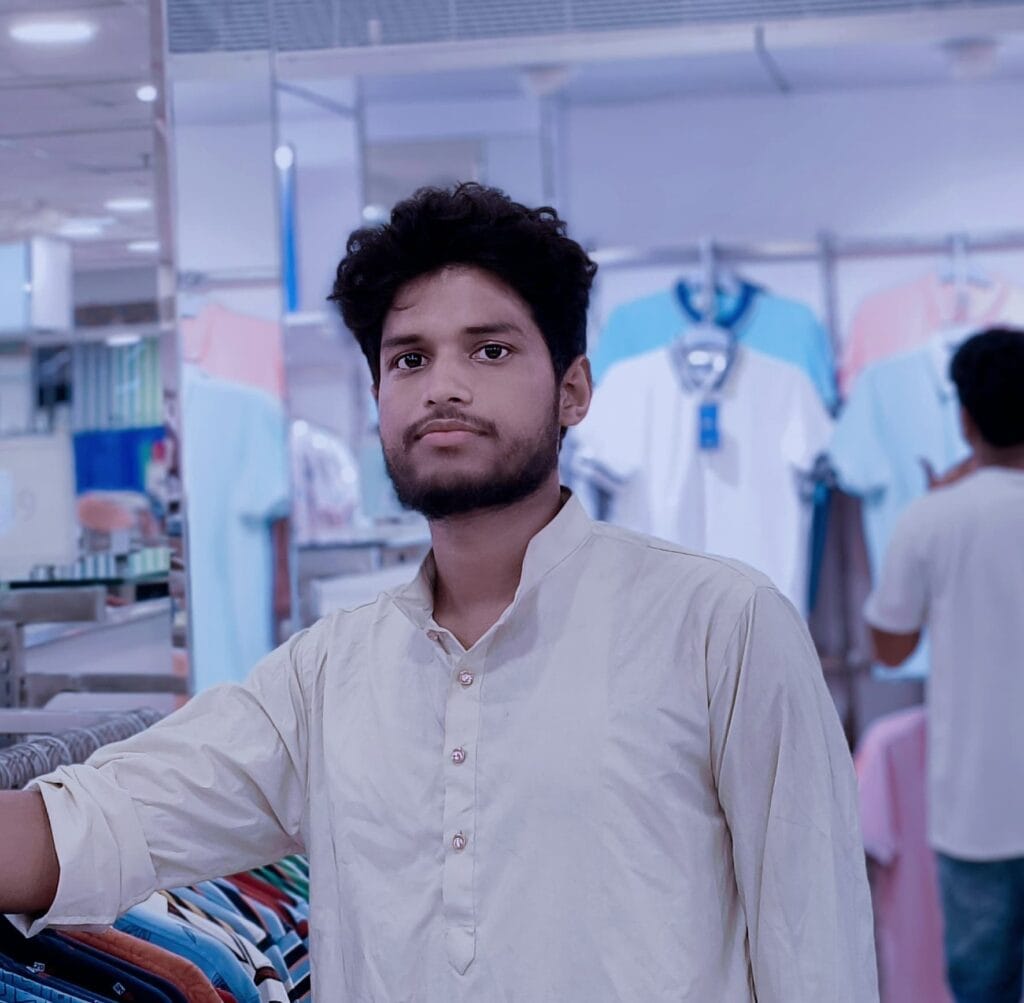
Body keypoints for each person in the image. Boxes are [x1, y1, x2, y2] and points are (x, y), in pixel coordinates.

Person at [0, 183, 877, 1002]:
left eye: (490, 350)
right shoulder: (328, 672)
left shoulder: (723, 625)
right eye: (410, 358)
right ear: (379, 396)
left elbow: (818, 950)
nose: (443, 387)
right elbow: (99, 825)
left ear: (573, 390)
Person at [866, 327, 1024, 1003]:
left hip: (975, 806)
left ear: (964, 419)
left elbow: (890, 647)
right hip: (973, 807)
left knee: (982, 988)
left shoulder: (931, 518)